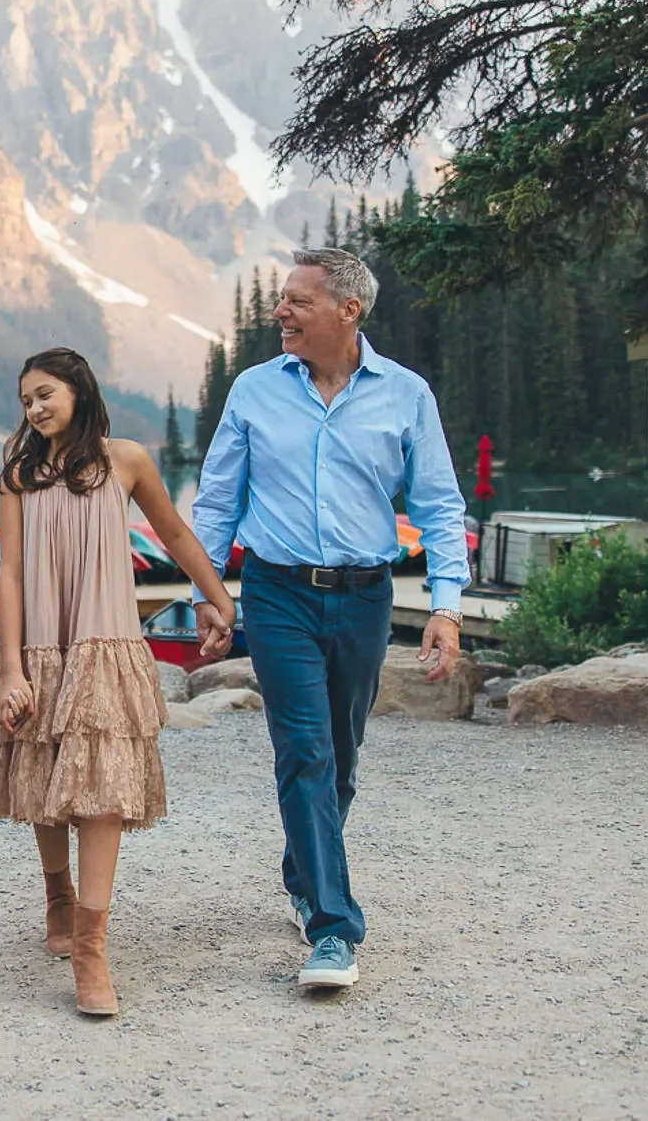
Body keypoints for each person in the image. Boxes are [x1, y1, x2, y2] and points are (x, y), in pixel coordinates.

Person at [190, 247, 469, 991]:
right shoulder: (253, 391)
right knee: (305, 748)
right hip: (278, 594)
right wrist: (210, 592)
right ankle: (334, 927)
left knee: (341, 752)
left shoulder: (405, 394)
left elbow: (439, 505)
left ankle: (302, 871)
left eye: (296, 301)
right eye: (279, 298)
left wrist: (445, 606)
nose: (279, 311)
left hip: (365, 596)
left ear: (348, 311)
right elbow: (216, 501)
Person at [0, 347, 237, 1017]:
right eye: (26, 400)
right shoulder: (20, 473)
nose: (35, 407)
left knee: (102, 792)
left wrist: (218, 596)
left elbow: (172, 531)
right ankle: (57, 895)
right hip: (41, 645)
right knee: (44, 774)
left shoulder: (126, 459)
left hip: (105, 644)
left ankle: (90, 947)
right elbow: (12, 574)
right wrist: (12, 664)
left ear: (78, 389)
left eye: (44, 392)